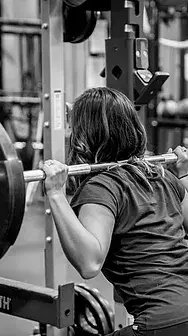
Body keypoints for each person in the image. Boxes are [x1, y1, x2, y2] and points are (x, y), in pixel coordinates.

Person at [42, 87, 188, 336]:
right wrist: (184, 173)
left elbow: (89, 263)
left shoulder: (101, 188)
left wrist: (55, 194)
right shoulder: (161, 176)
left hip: (163, 322)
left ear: (85, 135)